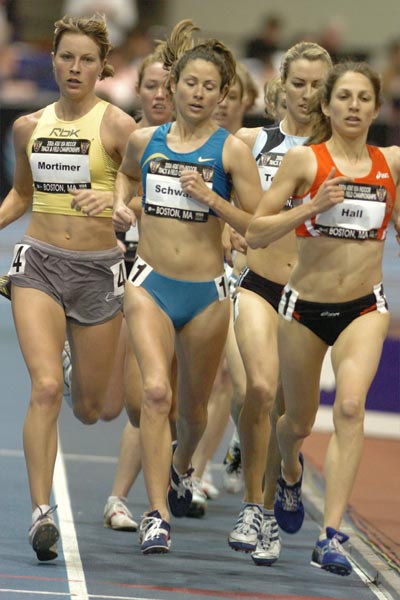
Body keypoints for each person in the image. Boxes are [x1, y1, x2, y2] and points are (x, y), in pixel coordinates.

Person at [112, 18, 262, 554]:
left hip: (207, 294)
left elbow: (257, 224)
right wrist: (119, 205)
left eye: (209, 87)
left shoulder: (232, 153)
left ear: (224, 96)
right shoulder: (142, 140)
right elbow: (127, 175)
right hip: (149, 281)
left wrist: (213, 201)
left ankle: (181, 468)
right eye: (189, 83)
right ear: (172, 86)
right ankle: (156, 515)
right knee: (155, 392)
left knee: (193, 411)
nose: (198, 94)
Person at [246, 60, 400, 576]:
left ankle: (331, 534)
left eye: (363, 99)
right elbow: (257, 232)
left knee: (351, 409)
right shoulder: (304, 163)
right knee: (295, 423)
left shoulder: (390, 164)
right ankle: (289, 473)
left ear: (376, 108)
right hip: (304, 308)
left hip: (364, 307)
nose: (354, 106)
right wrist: (310, 207)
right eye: (345, 97)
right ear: (327, 105)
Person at [0, 14, 137, 561]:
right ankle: (40, 514)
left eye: (86, 59)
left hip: (100, 270)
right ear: (52, 59)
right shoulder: (28, 126)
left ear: (102, 67)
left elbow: (148, 198)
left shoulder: (120, 127)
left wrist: (120, 206)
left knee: (94, 408)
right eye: (66, 57)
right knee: (45, 387)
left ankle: (79, 365)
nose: (75, 67)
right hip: (40, 263)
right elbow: (21, 194)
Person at [227, 42, 332, 566]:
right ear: (282, 83)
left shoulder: (338, 150)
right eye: (299, 83)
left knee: (292, 417)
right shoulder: (251, 141)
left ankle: (286, 475)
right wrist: (226, 232)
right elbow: (217, 197)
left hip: (310, 296)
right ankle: (255, 510)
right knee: (260, 390)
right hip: (259, 283)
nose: (308, 95)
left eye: (318, 85)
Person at [103, 46, 174, 531]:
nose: (160, 95)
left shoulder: (198, 145)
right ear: (139, 90)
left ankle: (124, 499)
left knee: (153, 398)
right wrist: (112, 206)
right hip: (111, 271)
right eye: (151, 86)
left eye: (169, 87)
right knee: (114, 403)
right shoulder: (124, 139)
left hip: (165, 282)